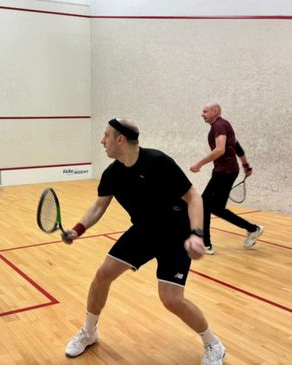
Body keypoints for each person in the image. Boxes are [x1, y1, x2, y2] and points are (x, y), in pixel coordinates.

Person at [63, 118, 225, 365]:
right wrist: (78, 229)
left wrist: (196, 234)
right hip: (144, 231)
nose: (102, 141)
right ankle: (89, 332)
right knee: (102, 276)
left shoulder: (158, 162)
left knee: (171, 299)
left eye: (106, 136)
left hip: (175, 233)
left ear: (120, 140)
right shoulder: (112, 174)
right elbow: (98, 206)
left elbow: (193, 197)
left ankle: (213, 344)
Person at [190, 103, 264, 254]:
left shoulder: (219, 126)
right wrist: (246, 166)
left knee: (204, 205)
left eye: (205, 111)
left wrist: (199, 164)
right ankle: (253, 229)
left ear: (215, 111)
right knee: (216, 208)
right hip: (228, 171)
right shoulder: (224, 125)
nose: (202, 114)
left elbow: (220, 150)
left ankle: (206, 244)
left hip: (224, 172)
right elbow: (237, 146)